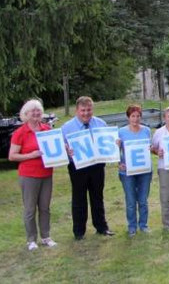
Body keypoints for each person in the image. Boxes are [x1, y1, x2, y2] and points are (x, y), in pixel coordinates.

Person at [61, 96, 114, 240]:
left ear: (92, 109)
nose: (86, 113)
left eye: (89, 110)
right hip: (77, 167)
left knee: (97, 196)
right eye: (83, 110)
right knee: (79, 198)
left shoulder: (101, 124)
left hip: (97, 165)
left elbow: (109, 143)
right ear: (77, 110)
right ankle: (79, 232)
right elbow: (60, 149)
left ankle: (101, 227)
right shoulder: (66, 128)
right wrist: (66, 150)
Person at [9, 99, 57, 250]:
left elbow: (54, 149)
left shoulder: (46, 129)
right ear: (26, 114)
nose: (36, 113)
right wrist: (32, 155)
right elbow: (12, 156)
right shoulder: (20, 133)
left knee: (45, 207)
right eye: (32, 111)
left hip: (46, 173)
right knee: (30, 209)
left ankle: (45, 236)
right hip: (28, 175)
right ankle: (31, 239)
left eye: (38, 110)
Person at [117, 105, 154, 236]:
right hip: (127, 172)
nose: (136, 119)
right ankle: (132, 226)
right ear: (128, 117)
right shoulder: (121, 132)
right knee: (131, 201)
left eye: (138, 116)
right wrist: (119, 163)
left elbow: (150, 147)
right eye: (133, 116)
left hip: (144, 170)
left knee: (143, 200)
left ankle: (143, 225)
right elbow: (115, 151)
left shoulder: (146, 131)